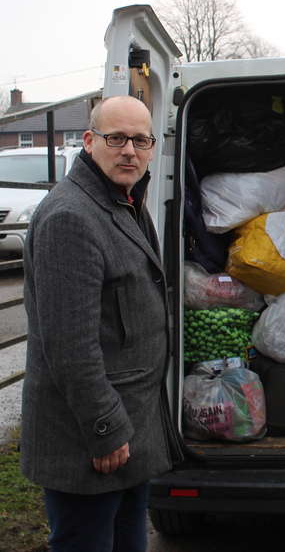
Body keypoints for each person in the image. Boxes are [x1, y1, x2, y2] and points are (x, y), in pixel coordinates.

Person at [21, 95, 180, 552]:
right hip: (92, 441)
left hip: (128, 431)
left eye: (141, 140)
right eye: (117, 138)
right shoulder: (71, 217)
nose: (129, 149)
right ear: (90, 141)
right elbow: (70, 346)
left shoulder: (122, 200)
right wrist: (105, 428)